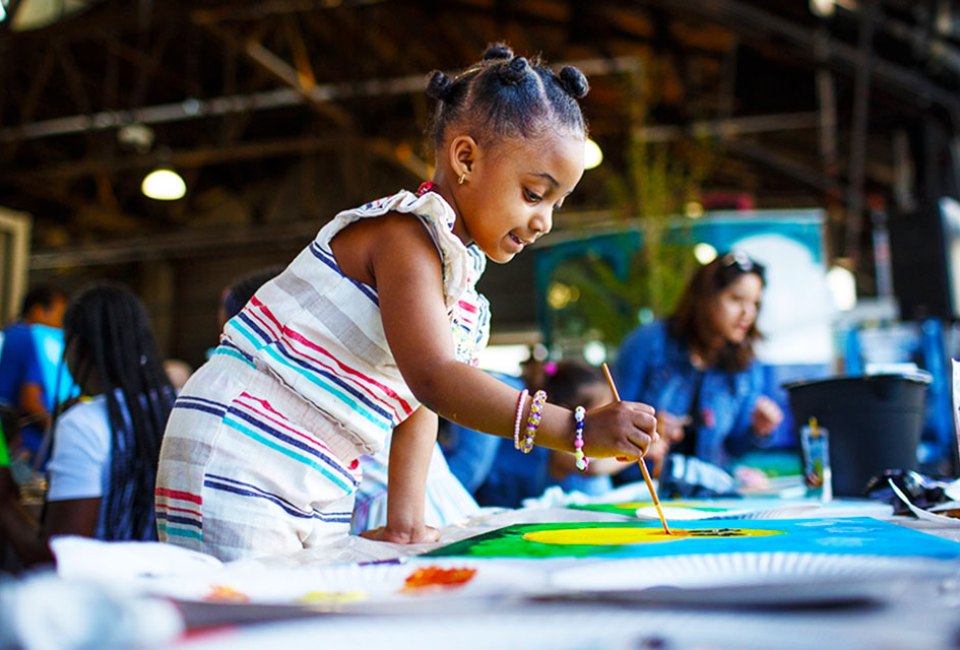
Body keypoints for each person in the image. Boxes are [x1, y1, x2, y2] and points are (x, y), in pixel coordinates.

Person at [156, 43, 658, 561]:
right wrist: (576, 430)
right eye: (534, 193)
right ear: (465, 158)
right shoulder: (406, 238)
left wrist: (406, 523)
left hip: (320, 474)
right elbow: (435, 379)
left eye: (558, 203)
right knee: (250, 624)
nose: (544, 220)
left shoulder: (457, 283)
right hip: (242, 453)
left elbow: (417, 402)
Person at [0, 283, 176, 567]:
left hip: (100, 599)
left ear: (78, 348)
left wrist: (4, 505)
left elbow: (57, 560)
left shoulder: (85, 423)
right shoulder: (178, 406)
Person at [614, 251, 783, 474]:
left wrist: (758, 430)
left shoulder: (745, 365)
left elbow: (732, 446)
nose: (748, 313)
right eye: (736, 299)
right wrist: (648, 431)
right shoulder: (648, 344)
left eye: (754, 304)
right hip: (640, 489)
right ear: (706, 298)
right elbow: (613, 422)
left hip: (705, 493)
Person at [446, 361, 639, 508]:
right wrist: (636, 452)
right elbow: (592, 468)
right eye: (600, 416)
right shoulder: (562, 449)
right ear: (572, 413)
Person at [0, 286, 70, 466]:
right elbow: (30, 399)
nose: (61, 323)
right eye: (59, 315)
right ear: (38, 310)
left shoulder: (9, 333)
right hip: (26, 444)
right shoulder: (32, 338)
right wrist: (59, 433)